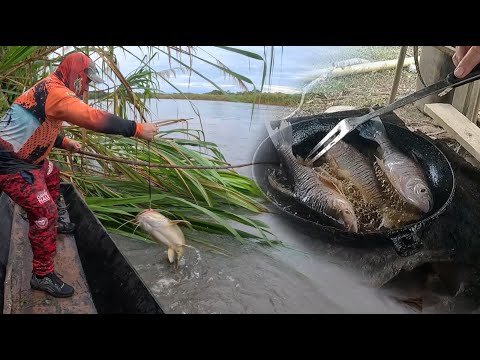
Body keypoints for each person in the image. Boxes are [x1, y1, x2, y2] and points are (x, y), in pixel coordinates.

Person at [0, 52, 157, 298]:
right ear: (75, 74)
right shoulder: (58, 93)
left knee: (52, 173)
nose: (86, 86)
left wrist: (64, 142)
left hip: (30, 161)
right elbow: (92, 118)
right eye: (86, 80)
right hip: (11, 165)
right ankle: (41, 276)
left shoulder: (50, 88)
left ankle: (56, 224)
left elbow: (36, 126)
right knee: (44, 212)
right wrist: (137, 129)